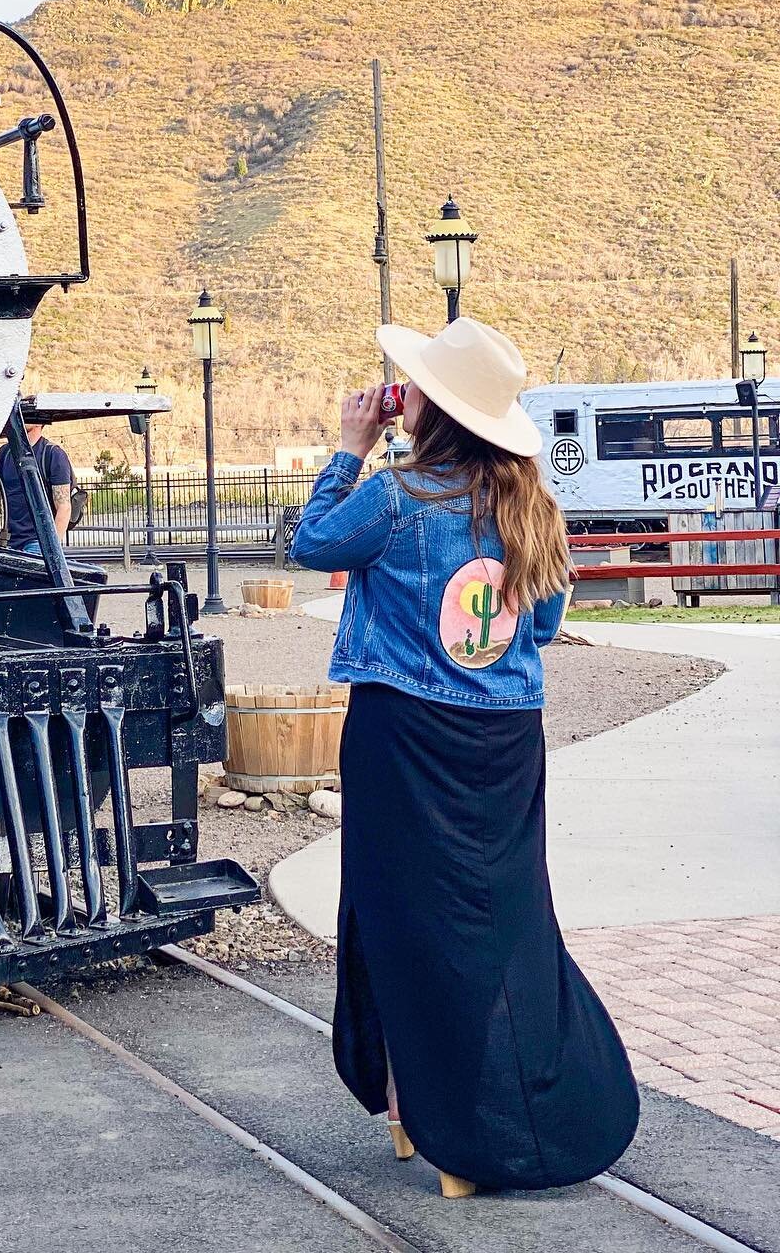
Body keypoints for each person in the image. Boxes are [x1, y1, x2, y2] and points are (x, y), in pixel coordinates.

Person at [290, 315, 638, 1198]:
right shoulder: (533, 506)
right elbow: (547, 625)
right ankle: (506, 1110)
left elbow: (311, 546)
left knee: (401, 917)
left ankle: (429, 1120)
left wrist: (349, 445)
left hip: (404, 736)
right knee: (505, 921)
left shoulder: (397, 495)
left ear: (427, 408)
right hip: (507, 741)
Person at [0, 419, 73, 556]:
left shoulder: (53, 454)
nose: (20, 417)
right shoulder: (4, 452)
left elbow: (64, 507)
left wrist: (51, 548)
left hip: (38, 542)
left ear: (39, 421)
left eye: (27, 414)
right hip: (9, 541)